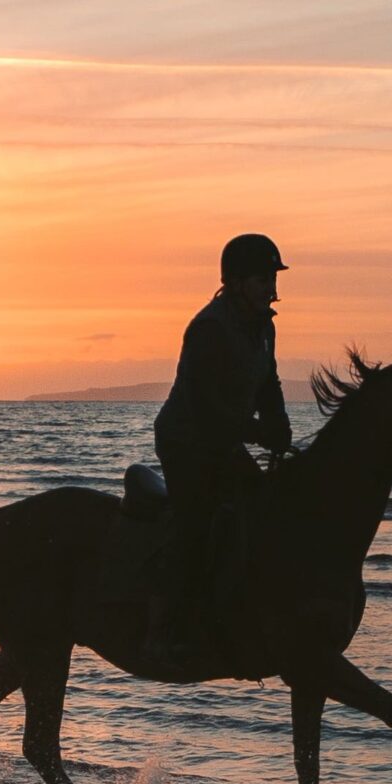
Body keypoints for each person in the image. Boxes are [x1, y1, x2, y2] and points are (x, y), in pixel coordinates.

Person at [151, 233, 293, 657]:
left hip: (225, 439)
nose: (271, 286)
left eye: (272, 277)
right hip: (186, 440)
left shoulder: (263, 326)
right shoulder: (209, 329)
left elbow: (269, 383)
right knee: (197, 521)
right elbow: (206, 408)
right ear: (235, 282)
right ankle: (162, 628)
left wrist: (279, 424)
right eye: (263, 278)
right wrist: (257, 434)